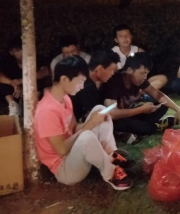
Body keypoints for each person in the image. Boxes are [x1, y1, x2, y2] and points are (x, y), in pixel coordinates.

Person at [34, 56, 133, 190]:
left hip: (73, 151)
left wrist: (94, 122)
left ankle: (111, 155)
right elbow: (61, 150)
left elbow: (74, 127)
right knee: (86, 137)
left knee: (100, 110)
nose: (82, 87)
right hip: (64, 169)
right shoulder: (47, 111)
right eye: (80, 82)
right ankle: (111, 173)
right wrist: (89, 125)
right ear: (64, 79)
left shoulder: (65, 98)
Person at [104, 53, 180, 136]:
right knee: (140, 127)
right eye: (142, 73)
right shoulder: (115, 82)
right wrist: (141, 109)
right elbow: (112, 113)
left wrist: (178, 109)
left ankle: (146, 125)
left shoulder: (138, 80)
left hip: (128, 115)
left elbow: (157, 94)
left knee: (163, 104)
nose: (145, 77)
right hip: (114, 121)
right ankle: (154, 127)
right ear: (130, 70)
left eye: (146, 74)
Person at [0, 37, 50, 116]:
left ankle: (32, 107)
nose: (22, 52)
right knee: (3, 84)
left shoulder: (37, 59)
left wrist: (21, 81)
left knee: (37, 81)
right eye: (17, 50)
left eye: (23, 49)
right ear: (11, 52)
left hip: (32, 89)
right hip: (14, 91)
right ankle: (13, 106)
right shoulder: (7, 61)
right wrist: (12, 83)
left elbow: (45, 72)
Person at [112, 24, 167, 92]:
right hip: (121, 85)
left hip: (139, 83)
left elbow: (147, 70)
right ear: (116, 40)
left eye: (127, 35)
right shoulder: (112, 53)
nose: (125, 38)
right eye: (121, 36)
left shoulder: (139, 51)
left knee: (163, 78)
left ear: (131, 36)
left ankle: (140, 93)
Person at [71, 50, 120, 123]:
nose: (112, 73)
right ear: (99, 69)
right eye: (111, 70)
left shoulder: (85, 79)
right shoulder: (87, 85)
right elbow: (90, 117)